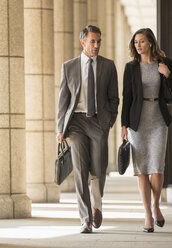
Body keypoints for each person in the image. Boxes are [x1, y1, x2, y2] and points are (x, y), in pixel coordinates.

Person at [56, 25, 119, 233]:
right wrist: (60, 128)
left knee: (99, 169)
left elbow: (114, 99)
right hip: (76, 123)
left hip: (98, 122)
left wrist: (109, 121)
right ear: (83, 42)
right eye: (92, 41)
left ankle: (96, 205)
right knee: (80, 170)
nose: (96, 45)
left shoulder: (108, 66)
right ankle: (85, 219)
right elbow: (63, 101)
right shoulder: (69, 67)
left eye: (99, 41)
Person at [121, 28, 172, 233]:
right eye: (136, 42)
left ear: (150, 43)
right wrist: (123, 125)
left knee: (157, 168)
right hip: (138, 123)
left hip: (158, 121)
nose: (138, 45)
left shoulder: (164, 62)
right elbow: (126, 98)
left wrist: (168, 74)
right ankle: (147, 213)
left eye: (142, 41)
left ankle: (156, 204)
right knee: (142, 171)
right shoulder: (130, 68)